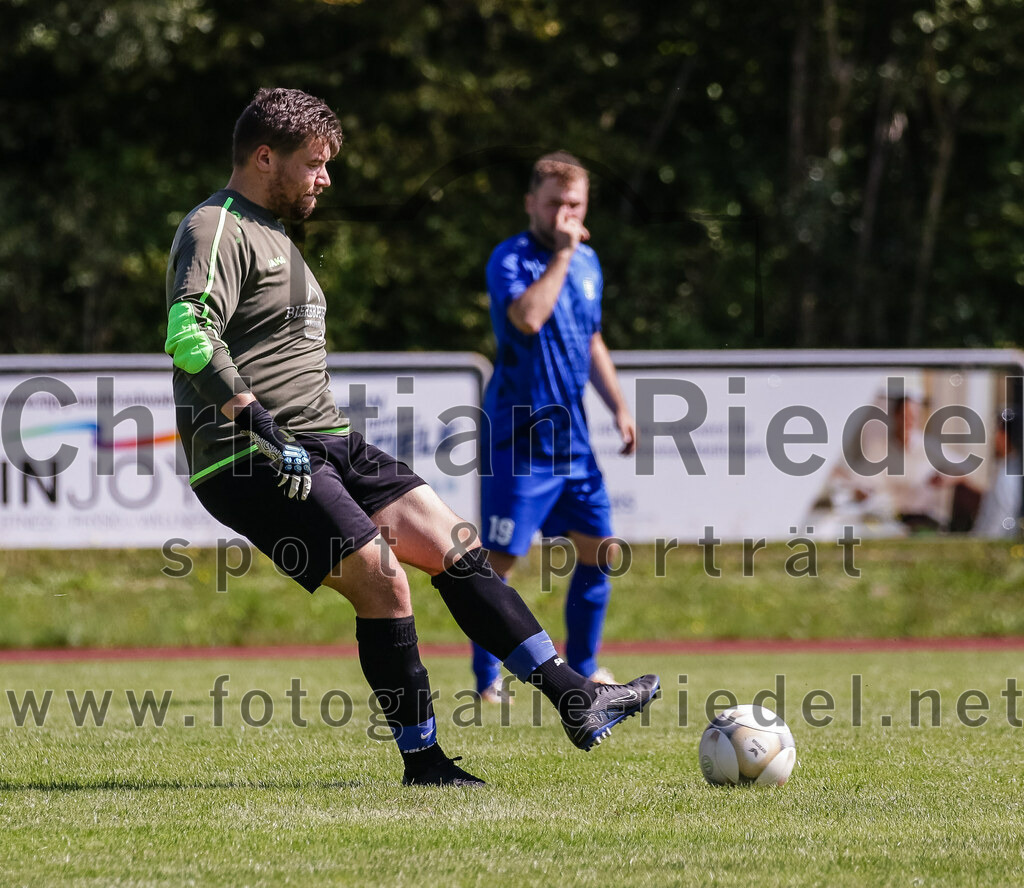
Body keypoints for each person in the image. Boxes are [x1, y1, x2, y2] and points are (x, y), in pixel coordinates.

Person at [163, 88, 659, 787]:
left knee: (454, 543)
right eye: (315, 164)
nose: (326, 178)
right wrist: (257, 421)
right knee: (383, 580)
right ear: (265, 156)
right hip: (252, 453)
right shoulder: (215, 227)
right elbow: (189, 332)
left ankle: (574, 696)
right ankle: (424, 762)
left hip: (324, 439)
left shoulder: (276, 232)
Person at [473, 152, 637, 703]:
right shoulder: (511, 258)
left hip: (574, 444)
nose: (565, 214)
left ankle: (587, 666)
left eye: (575, 204)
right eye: (554, 203)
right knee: (496, 567)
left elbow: (591, 340)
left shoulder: (588, 263)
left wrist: (618, 405)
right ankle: (487, 681)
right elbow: (529, 317)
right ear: (531, 204)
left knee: (600, 551)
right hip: (519, 441)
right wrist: (564, 255)